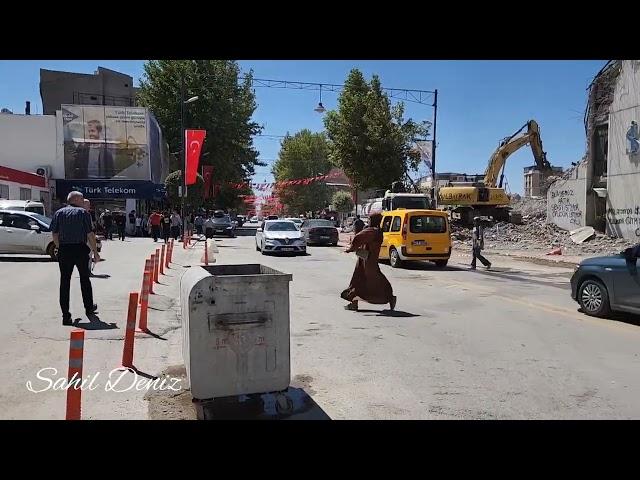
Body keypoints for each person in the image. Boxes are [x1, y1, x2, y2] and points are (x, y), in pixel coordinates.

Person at [51, 191, 100, 325]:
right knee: (85, 279)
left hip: (64, 250)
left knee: (65, 282)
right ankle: (89, 308)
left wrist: (60, 247)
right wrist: (95, 252)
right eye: (82, 198)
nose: (83, 201)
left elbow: (54, 234)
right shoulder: (83, 213)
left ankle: (66, 316)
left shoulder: (58, 213)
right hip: (80, 249)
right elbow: (90, 234)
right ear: (76, 199)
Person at [341, 212, 396, 311]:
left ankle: (389, 297)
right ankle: (354, 303)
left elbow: (359, 237)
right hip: (365, 259)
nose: (368, 221)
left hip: (368, 261)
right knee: (357, 281)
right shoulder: (378, 231)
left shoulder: (372, 231)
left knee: (373, 280)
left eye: (370, 219)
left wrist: (351, 248)